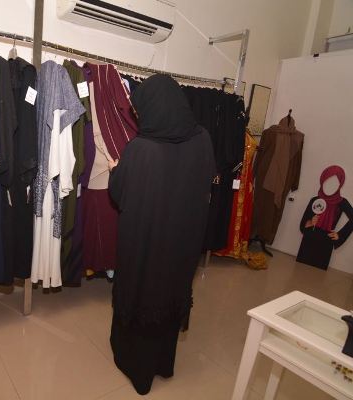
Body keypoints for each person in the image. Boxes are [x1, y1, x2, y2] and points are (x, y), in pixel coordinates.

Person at [108, 74, 215, 395]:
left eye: (139, 111)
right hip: (182, 244)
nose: (139, 116)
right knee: (168, 297)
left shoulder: (140, 149)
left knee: (142, 297)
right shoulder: (203, 139)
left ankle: (137, 371)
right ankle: (163, 365)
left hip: (147, 246)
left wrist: (115, 170)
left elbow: (119, 196)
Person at [297, 165, 352, 270]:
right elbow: (303, 224)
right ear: (322, 181)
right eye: (327, 181)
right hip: (309, 240)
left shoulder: (341, 202)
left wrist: (340, 235)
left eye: (335, 183)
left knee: (318, 276)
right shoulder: (315, 200)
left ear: (340, 185)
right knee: (299, 271)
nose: (330, 186)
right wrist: (310, 222)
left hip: (325, 242)